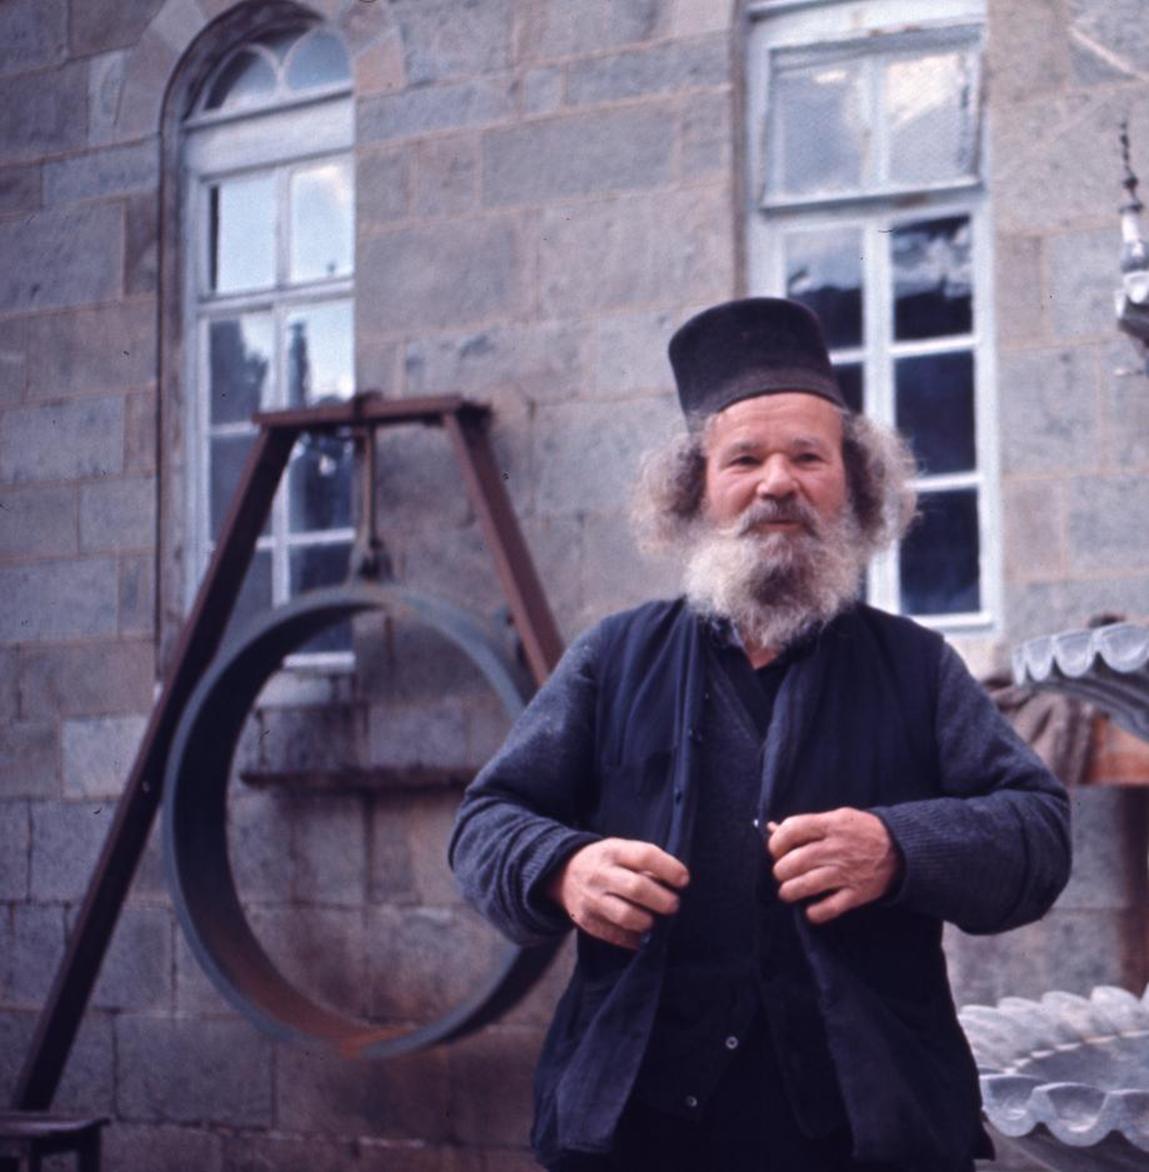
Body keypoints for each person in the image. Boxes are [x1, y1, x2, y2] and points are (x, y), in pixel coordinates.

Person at [448, 298, 1071, 1172]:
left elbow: (1038, 834)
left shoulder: (918, 667)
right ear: (694, 488)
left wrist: (899, 849)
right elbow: (484, 824)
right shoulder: (612, 658)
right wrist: (562, 869)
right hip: (638, 1134)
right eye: (743, 458)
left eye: (807, 457)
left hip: (863, 1136)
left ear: (853, 484)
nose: (777, 482)